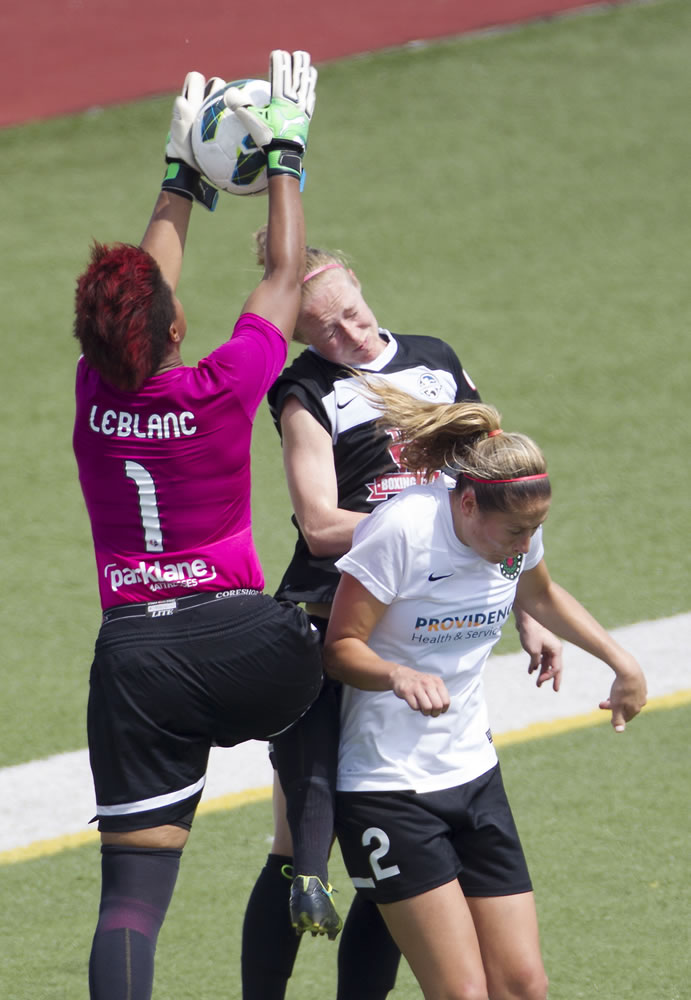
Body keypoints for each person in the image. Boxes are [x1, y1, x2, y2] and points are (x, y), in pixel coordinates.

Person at [240, 245, 563, 1000]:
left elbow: (495, 502)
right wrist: (414, 530)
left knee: (406, 870)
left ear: (363, 289)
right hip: (333, 628)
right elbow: (320, 526)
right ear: (300, 338)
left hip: (425, 623)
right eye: (325, 330)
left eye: (353, 314)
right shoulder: (303, 392)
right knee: (299, 848)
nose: (349, 335)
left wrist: (522, 606)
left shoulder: (433, 360)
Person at [72, 52, 323, 1000]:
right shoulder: (221, 389)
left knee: (130, 905)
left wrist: (180, 178)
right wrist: (287, 155)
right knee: (336, 663)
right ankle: (312, 849)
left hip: (137, 665)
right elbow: (287, 272)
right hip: (252, 649)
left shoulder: (97, 396)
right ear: (176, 333)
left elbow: (138, 293)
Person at [322, 381, 648, 1000]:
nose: (523, 547)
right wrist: (397, 674)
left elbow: (539, 592)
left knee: (524, 984)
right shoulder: (404, 531)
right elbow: (338, 649)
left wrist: (618, 659)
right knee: (463, 993)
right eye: (514, 534)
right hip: (389, 787)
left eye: (535, 530)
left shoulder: (514, 528)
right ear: (467, 504)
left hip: (473, 772)